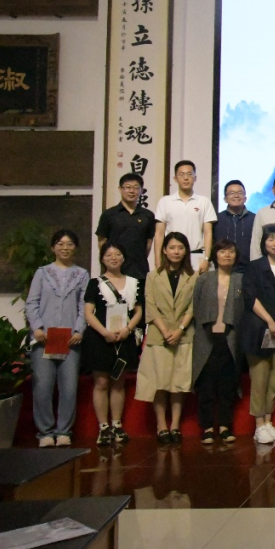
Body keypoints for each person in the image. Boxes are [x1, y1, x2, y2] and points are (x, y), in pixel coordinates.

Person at [25, 229, 88, 447]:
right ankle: (45, 432)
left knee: (69, 388)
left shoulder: (82, 275)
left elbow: (84, 306)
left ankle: (63, 431)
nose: (65, 248)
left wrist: (79, 330)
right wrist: (37, 328)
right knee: (42, 387)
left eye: (69, 244)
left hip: (70, 339)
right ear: (53, 248)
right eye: (60, 244)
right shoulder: (42, 273)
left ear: (75, 248)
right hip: (44, 339)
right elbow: (32, 302)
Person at [136, 232, 197, 444]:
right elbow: (151, 306)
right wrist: (165, 330)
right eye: (172, 247)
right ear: (164, 250)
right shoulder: (153, 276)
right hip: (158, 336)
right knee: (159, 382)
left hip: (183, 335)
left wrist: (179, 329)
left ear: (186, 251)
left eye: (180, 248)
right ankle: (161, 425)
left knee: (179, 383)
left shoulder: (193, 276)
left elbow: (193, 307)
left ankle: (175, 425)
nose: (176, 252)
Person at [82, 242, 142, 446]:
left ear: (123, 258)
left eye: (117, 254)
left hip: (124, 339)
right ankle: (103, 427)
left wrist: (128, 329)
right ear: (102, 259)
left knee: (118, 383)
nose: (113, 258)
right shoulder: (95, 283)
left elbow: (139, 311)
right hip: (100, 339)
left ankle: (117, 424)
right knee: (101, 383)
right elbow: (88, 313)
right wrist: (104, 333)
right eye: (109, 255)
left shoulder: (134, 283)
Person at [241, 225, 275, 444]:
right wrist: (270, 321)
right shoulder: (254, 267)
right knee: (260, 379)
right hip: (259, 331)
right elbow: (250, 297)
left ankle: (268, 421)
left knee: (274, 380)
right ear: (264, 243)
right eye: (271, 239)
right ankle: (258, 425)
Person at [191, 239, 245, 444]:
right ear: (215, 255)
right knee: (206, 384)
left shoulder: (241, 279)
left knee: (227, 385)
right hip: (207, 336)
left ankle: (224, 426)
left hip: (231, 337)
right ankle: (206, 427)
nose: (227, 255)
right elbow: (195, 306)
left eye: (231, 251)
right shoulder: (204, 279)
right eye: (222, 251)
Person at [95, 172, 155, 302]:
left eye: (136, 187)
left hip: (139, 270)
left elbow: (148, 243)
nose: (132, 191)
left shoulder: (148, 215)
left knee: (139, 306)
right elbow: (102, 242)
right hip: (115, 271)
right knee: (113, 306)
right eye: (128, 187)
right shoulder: (109, 214)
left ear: (141, 191)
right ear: (120, 189)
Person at [154, 160, 217, 272]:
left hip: (196, 255)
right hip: (172, 257)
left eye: (189, 174)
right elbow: (159, 233)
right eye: (181, 174)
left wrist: (207, 258)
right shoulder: (165, 201)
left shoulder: (204, 201)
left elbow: (208, 233)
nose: (186, 178)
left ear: (195, 178)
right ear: (175, 178)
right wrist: (158, 260)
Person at [214, 180, 255, 273]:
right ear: (225, 199)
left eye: (240, 193)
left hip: (248, 270)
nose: (236, 196)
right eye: (232, 193)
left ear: (245, 198)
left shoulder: (255, 218)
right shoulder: (216, 219)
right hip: (221, 269)